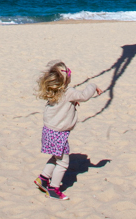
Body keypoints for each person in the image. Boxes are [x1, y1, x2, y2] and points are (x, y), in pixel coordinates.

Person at [34, 60, 102, 201]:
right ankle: (53, 188)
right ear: (66, 78)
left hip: (49, 131)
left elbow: (63, 104)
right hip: (58, 134)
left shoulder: (54, 92)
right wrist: (93, 85)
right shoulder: (68, 92)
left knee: (56, 156)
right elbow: (84, 96)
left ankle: (43, 179)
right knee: (63, 162)